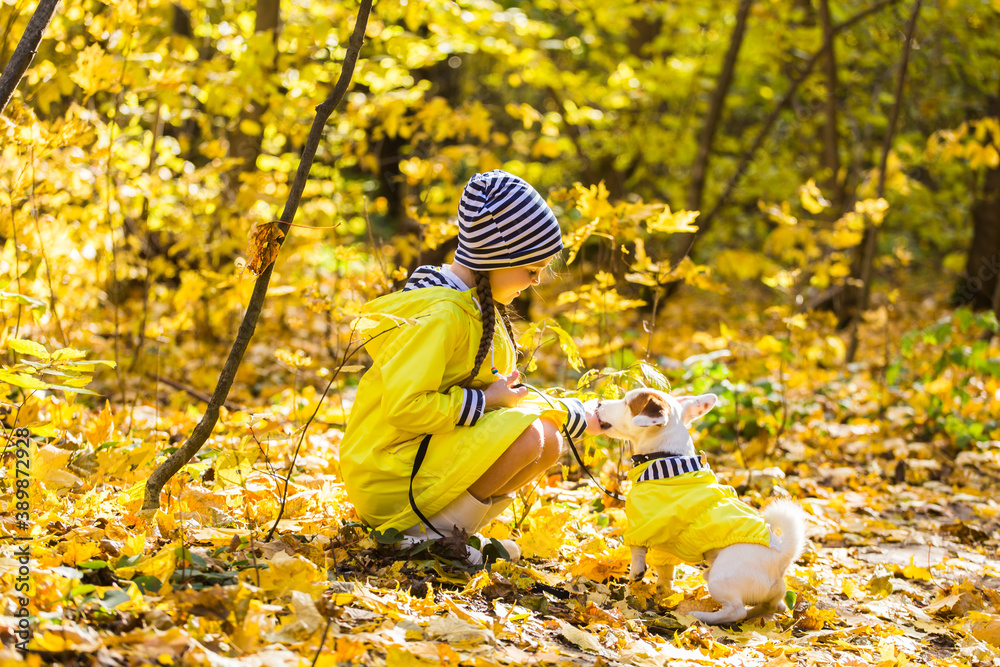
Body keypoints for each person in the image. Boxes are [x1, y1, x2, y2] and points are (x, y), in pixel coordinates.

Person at [340, 170, 601, 564]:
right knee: (530, 438)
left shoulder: (476, 309)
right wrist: (484, 400)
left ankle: (446, 531)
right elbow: (405, 407)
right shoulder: (442, 315)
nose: (534, 282)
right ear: (496, 258)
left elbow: (504, 400)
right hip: (388, 473)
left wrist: (579, 414)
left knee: (548, 441)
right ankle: (435, 537)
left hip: (419, 459)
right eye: (531, 270)